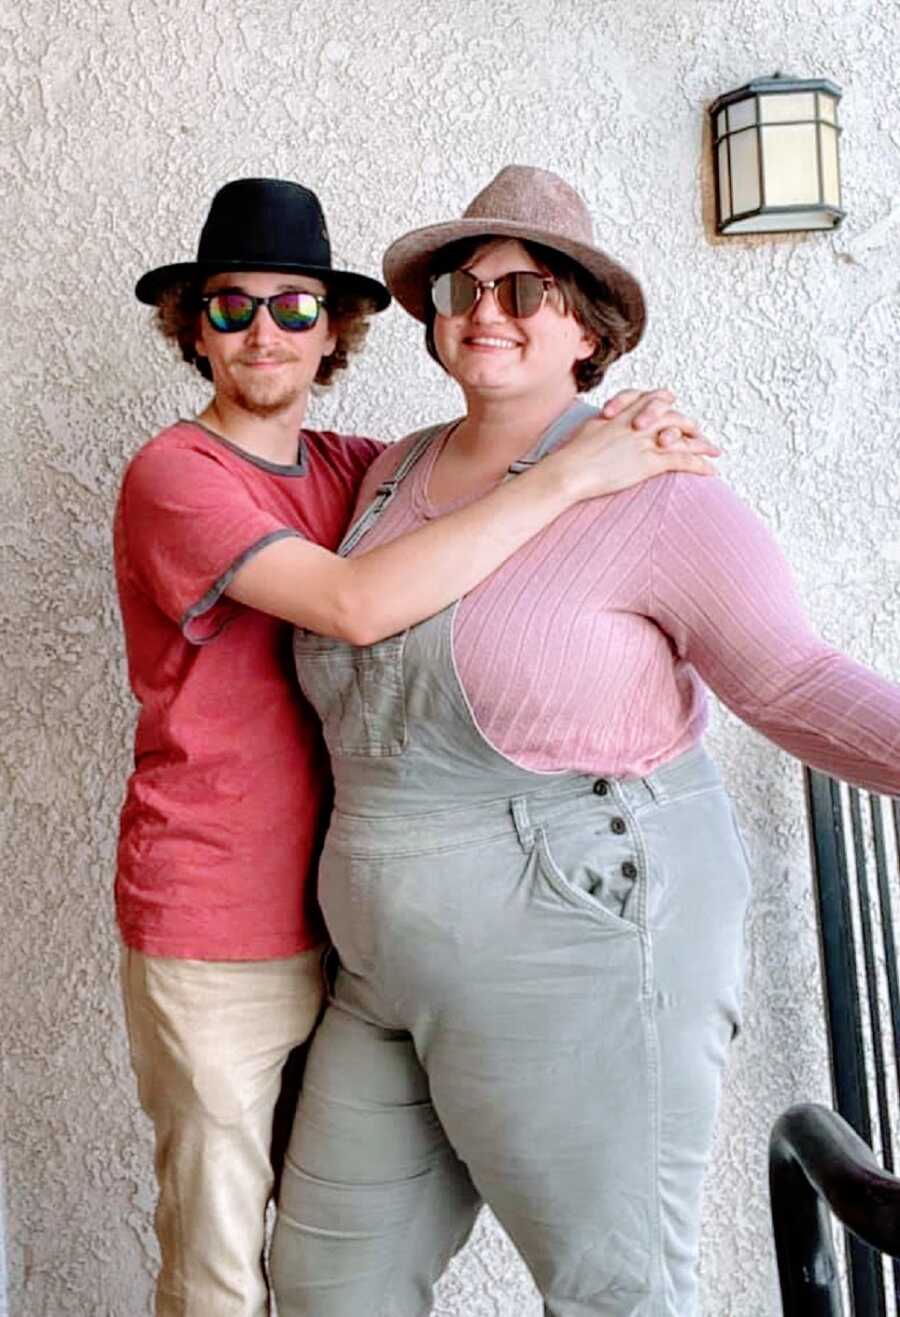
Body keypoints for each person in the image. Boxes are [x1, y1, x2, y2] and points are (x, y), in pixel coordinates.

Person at [270, 164, 900, 1317]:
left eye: (528, 290)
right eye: (462, 286)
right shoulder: (390, 473)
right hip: (381, 963)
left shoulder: (661, 494)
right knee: (326, 1285)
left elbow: (796, 677)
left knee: (613, 1295)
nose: (484, 311)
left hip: (579, 940)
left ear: (589, 329)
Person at [115, 175, 712, 1317]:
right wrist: (571, 473)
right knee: (221, 1266)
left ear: (335, 329)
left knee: (329, 1256)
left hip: (346, 930)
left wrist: (616, 432)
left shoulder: (359, 470)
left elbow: (478, 485)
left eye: (295, 306)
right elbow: (352, 604)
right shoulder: (176, 476)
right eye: (232, 306)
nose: (265, 331)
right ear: (194, 326)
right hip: (214, 925)